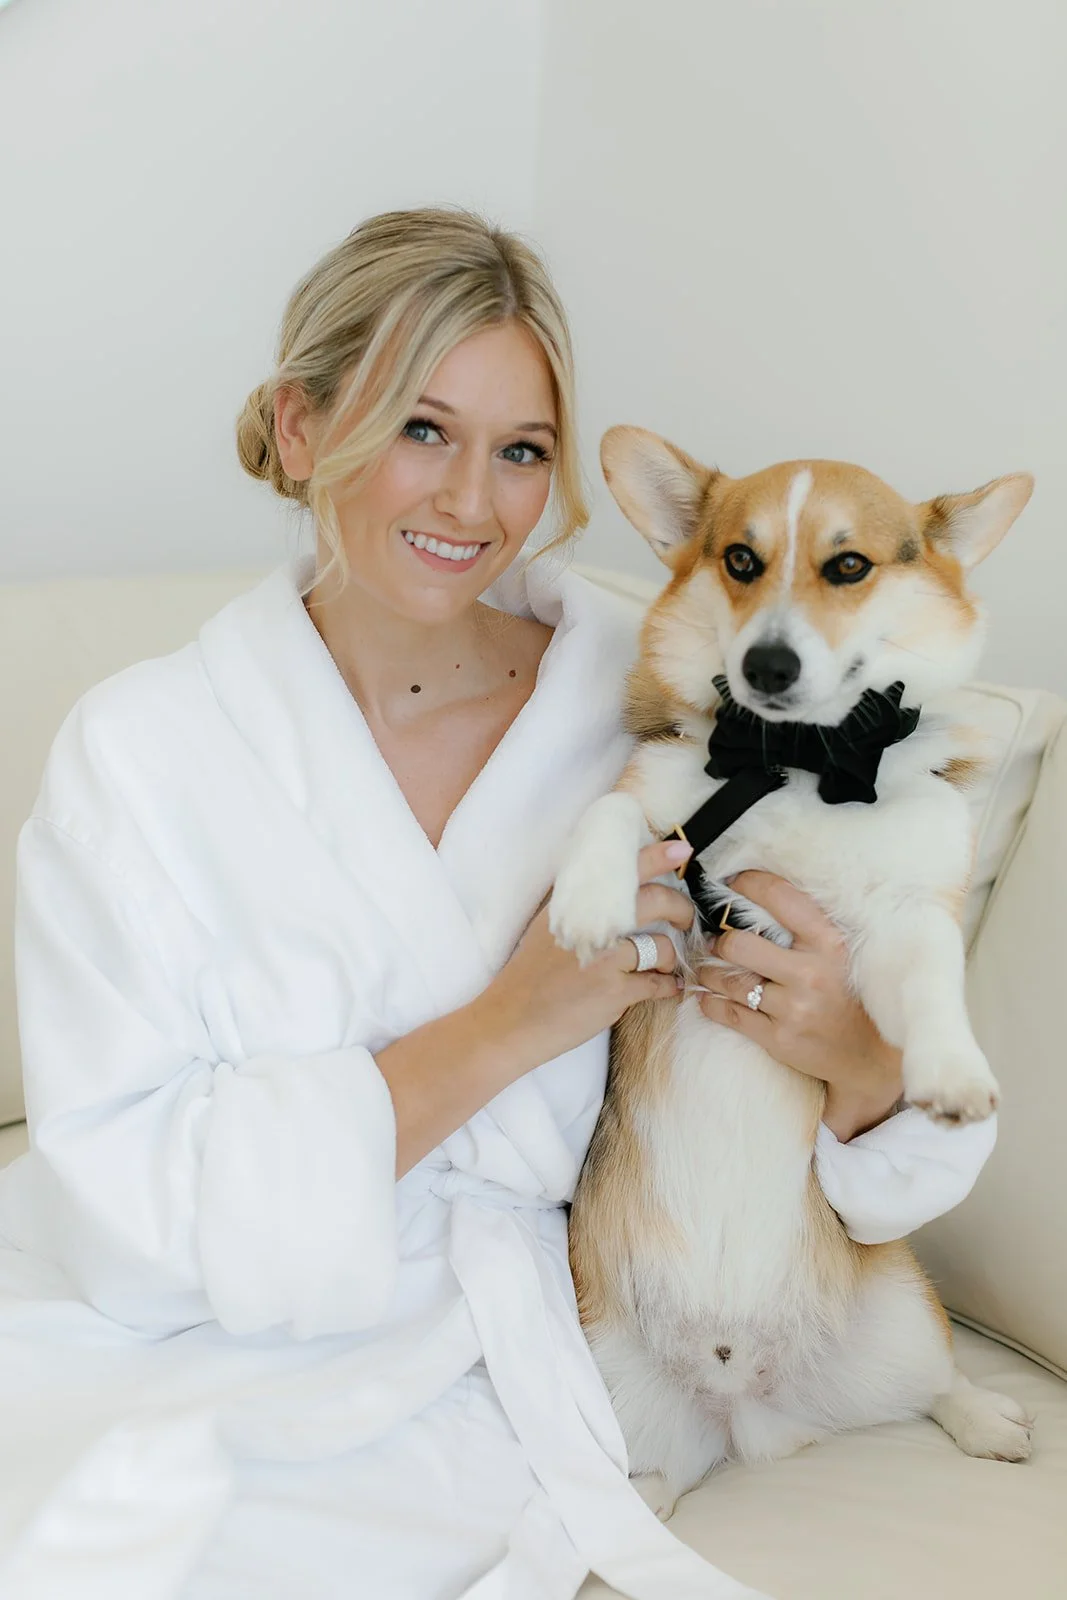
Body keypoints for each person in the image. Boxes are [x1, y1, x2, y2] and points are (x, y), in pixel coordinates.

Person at [0, 208, 995, 1600]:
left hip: (543, 1323)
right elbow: (124, 1200)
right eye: (423, 429)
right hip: (194, 1306)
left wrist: (856, 1056)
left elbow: (897, 1100)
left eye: (521, 450)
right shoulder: (140, 751)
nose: (472, 502)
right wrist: (516, 1020)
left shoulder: (665, 690)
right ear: (299, 427)